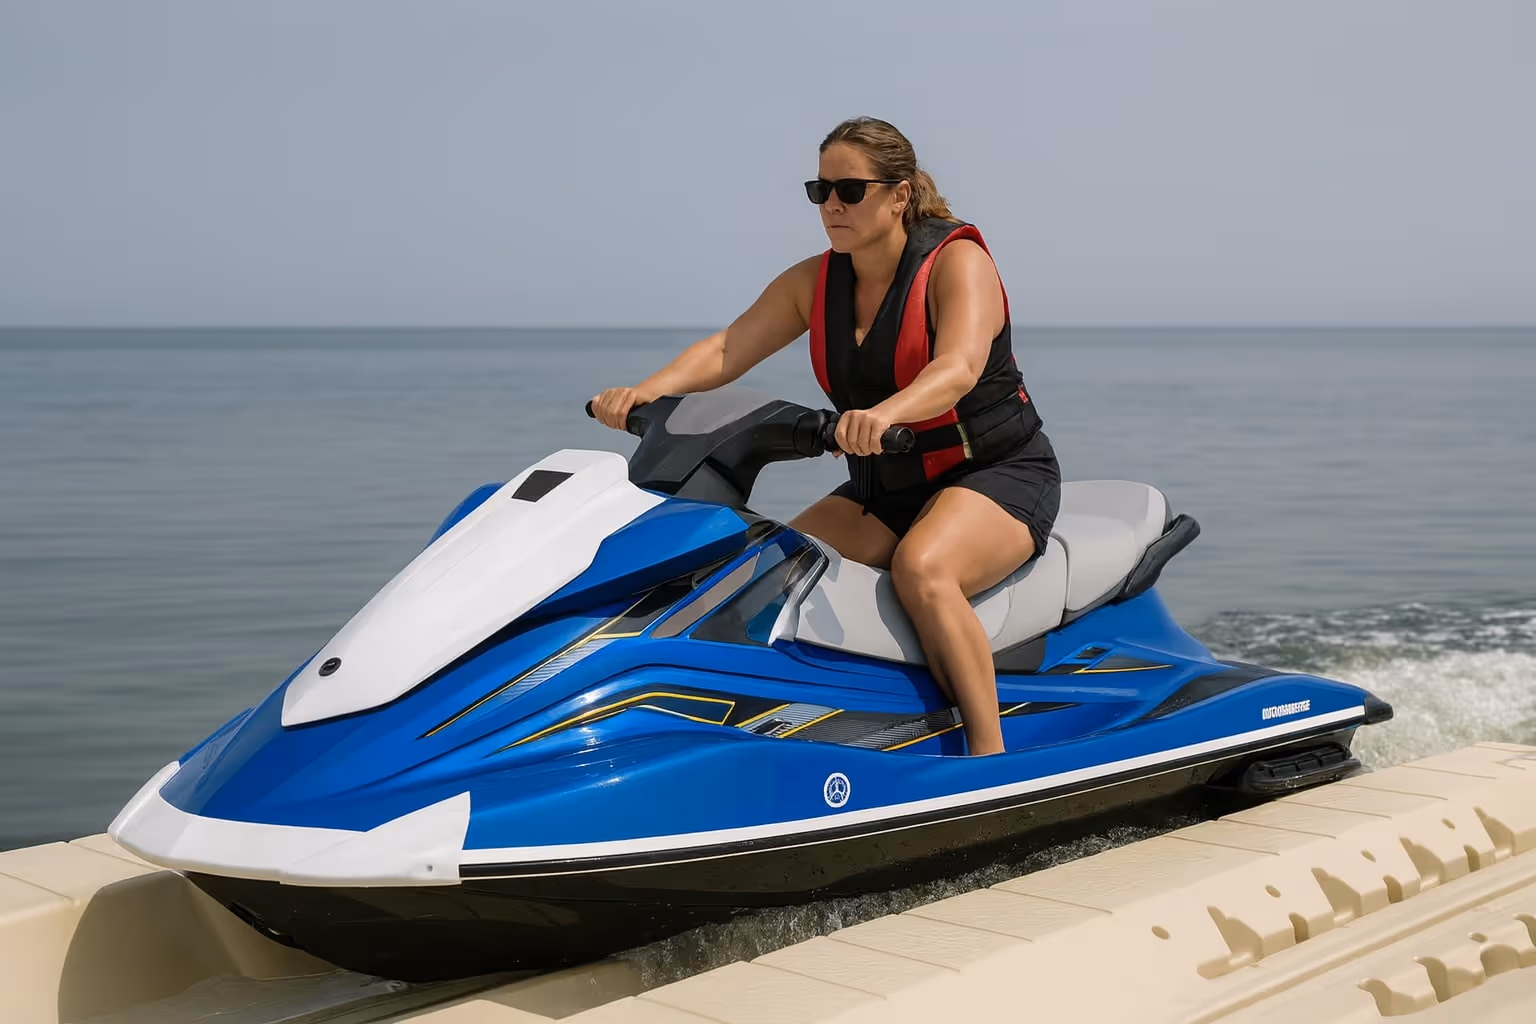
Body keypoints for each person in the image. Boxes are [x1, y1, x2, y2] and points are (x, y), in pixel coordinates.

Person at [591, 117, 1060, 755]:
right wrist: (646, 392)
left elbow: (958, 368)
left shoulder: (959, 262)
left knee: (923, 568)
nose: (832, 206)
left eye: (850, 190)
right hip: (888, 483)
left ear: (899, 195)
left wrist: (887, 411)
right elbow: (729, 347)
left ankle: (989, 759)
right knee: (770, 570)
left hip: (995, 474)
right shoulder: (816, 280)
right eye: (820, 192)